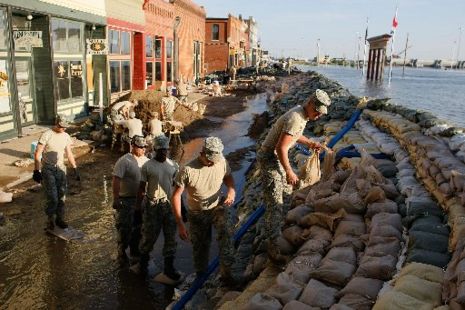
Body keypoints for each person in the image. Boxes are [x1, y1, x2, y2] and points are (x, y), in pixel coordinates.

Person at [257, 89, 331, 262]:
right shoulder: (295, 118)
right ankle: (273, 249)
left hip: (275, 158)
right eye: (317, 112)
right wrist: (289, 171)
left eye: (321, 114)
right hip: (269, 159)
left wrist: (310, 143)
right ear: (311, 104)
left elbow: (295, 135)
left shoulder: (301, 114)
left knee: (286, 195)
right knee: (276, 202)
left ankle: (276, 231)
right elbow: (280, 148)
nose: (319, 116)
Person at [171, 137, 237, 283]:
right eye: (210, 160)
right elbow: (175, 196)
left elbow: (229, 178)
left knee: (226, 232)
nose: (213, 163)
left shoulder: (221, 162)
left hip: (217, 207)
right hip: (196, 213)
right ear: (202, 153)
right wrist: (180, 223)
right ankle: (202, 277)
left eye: (215, 159)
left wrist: (231, 191)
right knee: (200, 247)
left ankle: (228, 275)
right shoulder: (187, 170)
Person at [135, 135, 181, 283]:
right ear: (154, 150)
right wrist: (138, 208)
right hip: (152, 206)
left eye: (165, 150)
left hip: (168, 205)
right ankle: (143, 265)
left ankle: (169, 268)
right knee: (149, 237)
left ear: (168, 149)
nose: (163, 153)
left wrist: (183, 209)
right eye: (160, 150)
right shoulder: (147, 166)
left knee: (170, 237)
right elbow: (141, 189)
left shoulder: (173, 165)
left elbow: (177, 188)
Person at [33, 114, 80, 230]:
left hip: (61, 169)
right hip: (48, 169)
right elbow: (38, 153)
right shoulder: (46, 135)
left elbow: (69, 153)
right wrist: (36, 170)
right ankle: (50, 219)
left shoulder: (66, 136)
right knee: (53, 197)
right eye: (61, 126)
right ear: (56, 123)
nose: (63, 129)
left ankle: (60, 218)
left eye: (65, 127)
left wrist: (75, 168)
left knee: (62, 196)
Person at [112, 135, 149, 266]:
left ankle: (134, 252)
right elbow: (116, 179)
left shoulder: (146, 161)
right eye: (140, 147)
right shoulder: (124, 161)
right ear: (133, 146)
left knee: (139, 228)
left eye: (144, 147)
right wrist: (116, 198)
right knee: (124, 228)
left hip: (141, 199)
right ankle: (121, 253)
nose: (143, 149)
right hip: (126, 200)